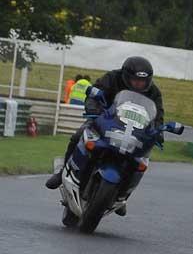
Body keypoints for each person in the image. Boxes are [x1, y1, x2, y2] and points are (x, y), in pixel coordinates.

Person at [45, 57, 165, 216]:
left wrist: (159, 132)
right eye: (135, 80)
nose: (138, 84)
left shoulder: (153, 92)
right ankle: (62, 174)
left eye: (142, 81)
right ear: (126, 76)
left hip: (134, 132)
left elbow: (158, 115)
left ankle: (121, 195)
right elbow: (95, 93)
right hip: (105, 121)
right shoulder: (112, 78)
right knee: (78, 135)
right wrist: (93, 109)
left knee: (141, 160)